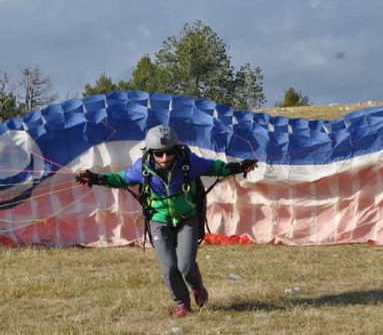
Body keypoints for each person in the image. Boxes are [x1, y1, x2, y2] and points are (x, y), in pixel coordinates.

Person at [75, 125, 258, 317]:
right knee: (169, 267)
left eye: (169, 153)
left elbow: (214, 167)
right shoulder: (142, 168)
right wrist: (94, 178)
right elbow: (120, 179)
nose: (164, 159)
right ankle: (182, 304)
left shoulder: (189, 162)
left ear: (176, 150)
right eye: (159, 154)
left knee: (185, 266)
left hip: (187, 218)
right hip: (159, 220)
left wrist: (238, 167)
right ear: (151, 153)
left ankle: (197, 287)